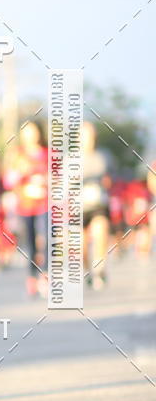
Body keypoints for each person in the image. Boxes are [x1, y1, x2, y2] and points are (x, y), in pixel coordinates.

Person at [4, 121, 49, 296]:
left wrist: (46, 181)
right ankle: (31, 277)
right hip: (25, 205)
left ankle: (45, 276)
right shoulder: (17, 155)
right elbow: (8, 181)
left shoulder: (48, 153)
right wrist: (21, 175)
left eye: (33, 131)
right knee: (30, 242)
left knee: (46, 238)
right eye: (27, 132)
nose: (31, 136)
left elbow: (60, 176)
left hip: (45, 203)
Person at [82, 122, 112, 289]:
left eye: (91, 136)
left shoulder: (104, 156)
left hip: (99, 202)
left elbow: (112, 177)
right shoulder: (71, 159)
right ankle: (88, 271)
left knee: (101, 230)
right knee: (81, 244)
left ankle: (100, 269)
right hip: (78, 206)